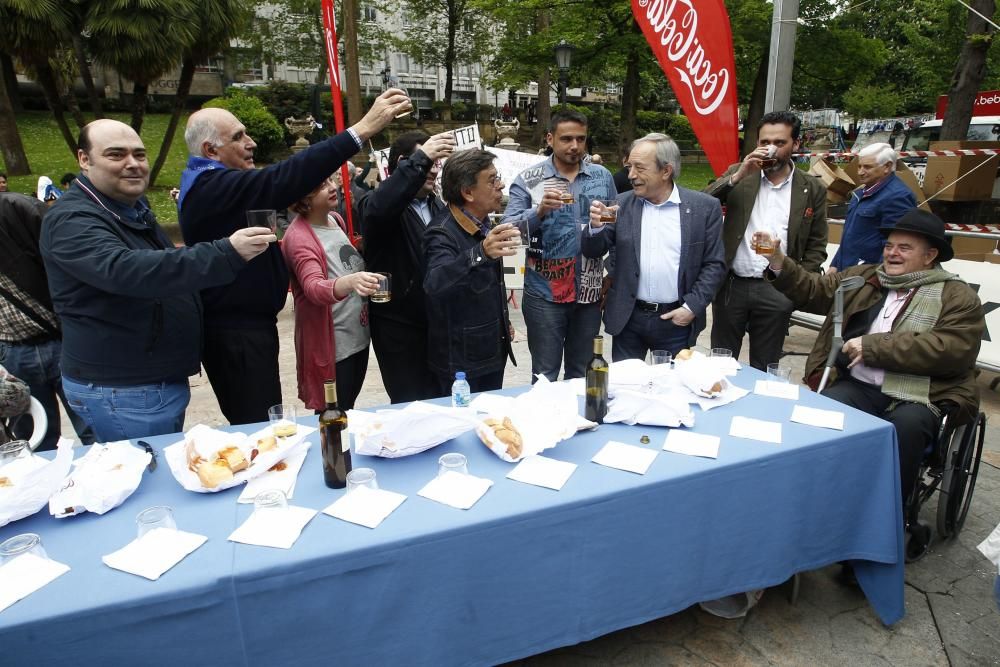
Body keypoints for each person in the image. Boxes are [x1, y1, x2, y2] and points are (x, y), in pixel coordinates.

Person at [178, 88, 409, 425]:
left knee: (264, 418)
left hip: (251, 329)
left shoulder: (224, 188)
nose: (251, 142)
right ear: (210, 150)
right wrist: (362, 129)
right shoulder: (209, 187)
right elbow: (284, 178)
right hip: (236, 335)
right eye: (239, 137)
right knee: (257, 426)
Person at [40, 119, 275, 442]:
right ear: (84, 159)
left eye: (139, 154)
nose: (133, 164)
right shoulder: (72, 219)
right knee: (142, 480)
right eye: (116, 155)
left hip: (149, 384)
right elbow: (129, 271)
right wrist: (226, 252)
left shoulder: (129, 208)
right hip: (123, 391)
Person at [759, 208, 983, 503]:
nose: (892, 253)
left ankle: (888, 510)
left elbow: (952, 349)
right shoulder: (865, 277)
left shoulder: (957, 296)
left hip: (921, 394)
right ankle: (815, 497)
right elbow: (814, 290)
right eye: (889, 245)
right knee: (820, 413)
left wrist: (874, 346)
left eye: (904, 248)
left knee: (904, 429)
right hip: (860, 385)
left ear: (930, 256)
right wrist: (777, 260)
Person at [582, 133, 726, 360]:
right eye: (629, 167)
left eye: (640, 168)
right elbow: (592, 251)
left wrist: (691, 308)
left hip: (676, 321)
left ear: (666, 171)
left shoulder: (704, 208)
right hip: (628, 319)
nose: (631, 175)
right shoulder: (620, 204)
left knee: (673, 391)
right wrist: (595, 228)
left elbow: (714, 264)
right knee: (626, 390)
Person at [705, 110, 828, 371]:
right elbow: (702, 204)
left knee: (766, 367)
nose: (770, 149)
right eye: (764, 142)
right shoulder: (741, 174)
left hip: (778, 288)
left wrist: (798, 284)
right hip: (732, 286)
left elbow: (817, 243)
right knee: (720, 364)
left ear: (796, 145)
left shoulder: (811, 187)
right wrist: (737, 175)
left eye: (779, 143)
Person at [504, 109, 617, 381]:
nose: (575, 146)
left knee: (582, 374)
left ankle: (580, 422)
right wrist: (539, 211)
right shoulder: (529, 180)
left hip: (589, 294)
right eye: (566, 139)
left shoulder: (602, 177)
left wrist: (611, 272)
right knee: (545, 375)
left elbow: (615, 227)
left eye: (581, 139)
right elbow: (509, 230)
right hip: (545, 294)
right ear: (550, 138)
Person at [358, 130, 456, 403]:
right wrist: (420, 160)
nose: (434, 170)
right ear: (403, 163)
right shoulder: (376, 205)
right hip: (399, 328)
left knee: (441, 401)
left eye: (437, 162)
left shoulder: (438, 206)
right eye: (428, 162)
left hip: (437, 324)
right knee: (410, 405)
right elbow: (379, 208)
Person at [1, 187, 93, 450]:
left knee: (95, 432)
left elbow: (75, 262)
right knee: (33, 442)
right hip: (11, 353)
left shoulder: (15, 209)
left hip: (63, 340)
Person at [281, 176, 381, 412]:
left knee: (348, 408)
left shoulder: (335, 220)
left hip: (357, 338)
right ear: (303, 197)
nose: (333, 187)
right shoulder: (299, 238)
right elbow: (313, 288)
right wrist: (351, 281)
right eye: (322, 185)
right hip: (334, 349)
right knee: (333, 416)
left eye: (331, 181)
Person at [424, 149, 518, 394]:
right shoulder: (441, 231)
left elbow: (486, 283)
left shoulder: (484, 222)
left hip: (490, 352)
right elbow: (435, 282)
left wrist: (502, 321)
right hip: (462, 363)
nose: (501, 185)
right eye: (492, 180)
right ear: (467, 192)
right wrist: (480, 253)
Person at [829, 142, 917, 273]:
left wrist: (875, 280)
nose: (860, 172)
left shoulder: (898, 197)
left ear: (887, 166)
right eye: (859, 166)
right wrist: (835, 265)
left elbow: (895, 247)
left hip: (868, 278)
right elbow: (849, 236)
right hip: (848, 273)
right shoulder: (862, 193)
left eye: (867, 167)